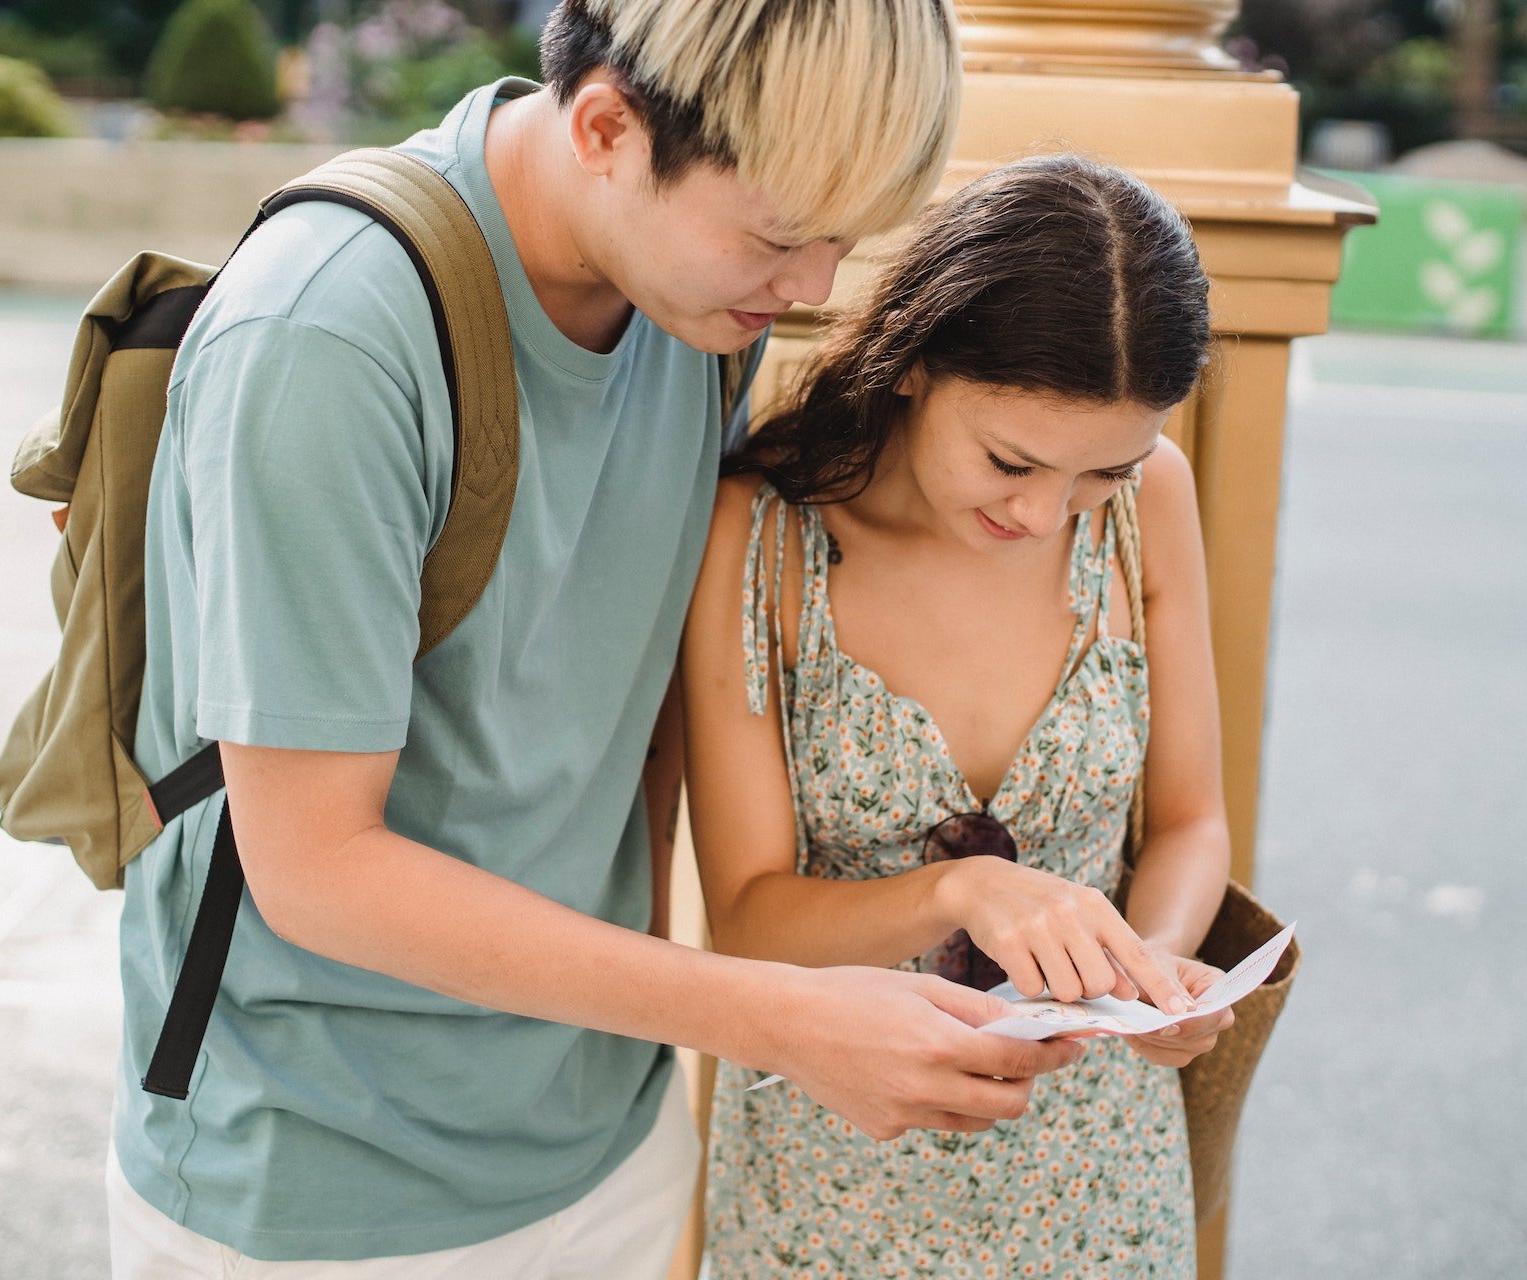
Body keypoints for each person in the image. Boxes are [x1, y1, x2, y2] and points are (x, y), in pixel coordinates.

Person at [104, 4, 1184, 1275]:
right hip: (320, 1176)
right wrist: (779, 1016)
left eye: (845, 238)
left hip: (604, 1134)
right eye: (784, 236)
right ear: (608, 126)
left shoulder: (694, 308)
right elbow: (315, 865)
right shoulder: (328, 335)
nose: (816, 289)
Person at [682, 154, 1237, 1277]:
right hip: (831, 1160)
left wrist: (1157, 971)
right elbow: (745, 919)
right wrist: (954, 890)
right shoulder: (761, 532)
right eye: (1010, 460)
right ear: (914, 364)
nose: (1044, 514)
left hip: (1097, 1164)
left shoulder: (1151, 499)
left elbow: (1189, 820)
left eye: (1098, 473)